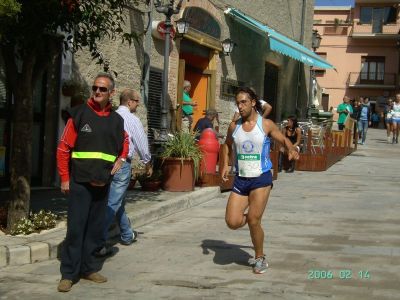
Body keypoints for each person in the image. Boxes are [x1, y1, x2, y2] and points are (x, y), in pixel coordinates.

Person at [56, 72, 129, 292]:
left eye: (103, 89)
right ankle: (68, 274)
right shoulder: (78, 115)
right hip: (79, 183)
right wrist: (65, 178)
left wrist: (122, 158)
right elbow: (63, 149)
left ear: (111, 93)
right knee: (76, 229)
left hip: (102, 183)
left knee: (95, 230)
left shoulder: (117, 120)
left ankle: (88, 269)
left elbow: (125, 142)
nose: (97, 92)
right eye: (95, 88)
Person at [220, 87, 299, 274]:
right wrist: (225, 164)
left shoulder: (266, 124)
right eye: (238, 103)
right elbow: (227, 145)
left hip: (261, 179)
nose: (240, 106)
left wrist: (290, 149)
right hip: (241, 179)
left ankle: (260, 257)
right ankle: (254, 221)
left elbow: (282, 139)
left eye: (243, 102)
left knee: (254, 220)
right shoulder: (234, 126)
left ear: (253, 102)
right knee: (232, 222)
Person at [97, 89, 152, 256]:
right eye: (137, 101)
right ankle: (97, 242)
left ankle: (127, 234)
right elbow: (141, 143)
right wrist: (147, 162)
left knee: (117, 200)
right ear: (129, 102)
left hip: (104, 162)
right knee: (113, 202)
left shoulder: (110, 116)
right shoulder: (132, 119)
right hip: (121, 163)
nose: (137, 105)